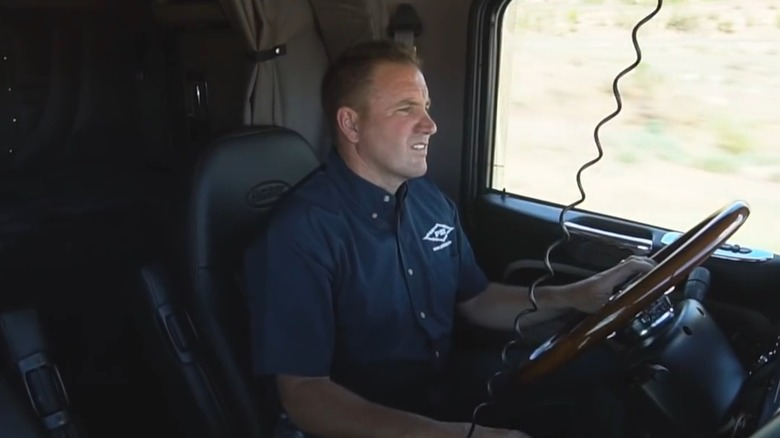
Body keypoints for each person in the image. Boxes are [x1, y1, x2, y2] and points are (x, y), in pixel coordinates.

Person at [244, 39, 656, 438]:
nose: (430, 124)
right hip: (370, 420)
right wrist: (445, 433)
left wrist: (573, 295)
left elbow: (475, 299)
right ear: (351, 123)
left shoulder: (428, 199)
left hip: (441, 389)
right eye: (407, 109)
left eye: (427, 107)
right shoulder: (301, 232)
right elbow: (304, 393)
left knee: (602, 378)